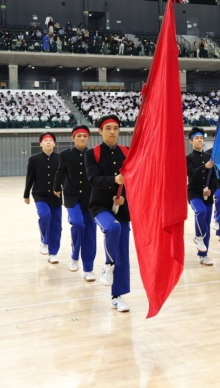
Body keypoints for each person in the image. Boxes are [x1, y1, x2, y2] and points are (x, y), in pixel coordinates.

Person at [85, 115, 131, 312]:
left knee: (123, 252)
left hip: (122, 208)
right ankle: (108, 264)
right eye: (108, 128)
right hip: (100, 206)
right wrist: (114, 180)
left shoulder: (126, 151)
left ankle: (117, 296)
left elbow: (133, 179)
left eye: (116, 128)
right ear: (100, 131)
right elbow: (93, 179)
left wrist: (124, 197)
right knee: (112, 228)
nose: (113, 131)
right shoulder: (92, 153)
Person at [54, 125, 97, 281]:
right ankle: (74, 255)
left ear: (88, 138)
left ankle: (88, 268)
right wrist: (56, 187)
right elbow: (60, 171)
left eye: (85, 136)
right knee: (77, 224)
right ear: (73, 138)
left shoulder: (93, 154)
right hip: (72, 197)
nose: (82, 139)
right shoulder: (65, 155)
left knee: (90, 233)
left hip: (90, 198)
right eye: (79, 136)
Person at [23, 132, 62, 264]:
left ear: (54, 143)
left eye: (51, 140)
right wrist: (26, 194)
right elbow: (30, 177)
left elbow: (65, 177)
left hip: (56, 196)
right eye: (45, 140)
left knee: (56, 225)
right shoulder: (34, 159)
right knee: (45, 216)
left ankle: (53, 253)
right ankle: (44, 240)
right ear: (41, 144)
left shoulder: (60, 158)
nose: (48, 142)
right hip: (39, 194)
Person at [186, 127, 217, 266]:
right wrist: (205, 167)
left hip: (207, 195)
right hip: (194, 193)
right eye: (197, 138)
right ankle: (198, 237)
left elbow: (215, 178)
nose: (200, 140)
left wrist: (211, 189)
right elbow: (191, 174)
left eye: (201, 138)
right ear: (191, 141)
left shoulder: (209, 157)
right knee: (201, 211)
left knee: (206, 225)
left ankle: (203, 255)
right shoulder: (188, 158)